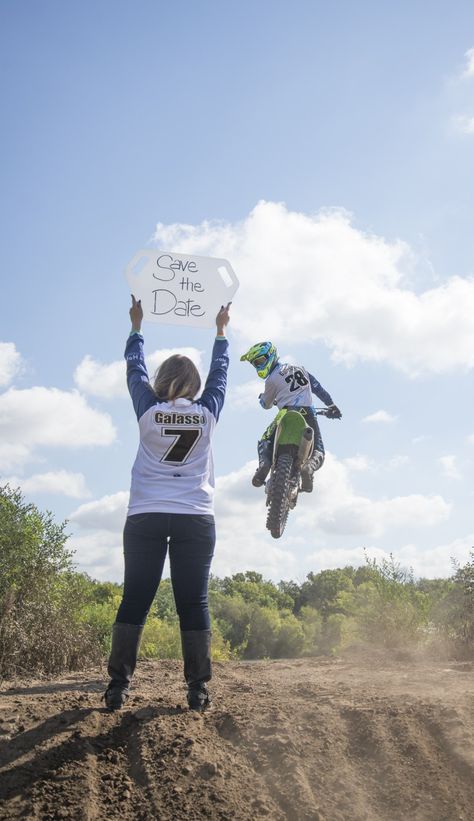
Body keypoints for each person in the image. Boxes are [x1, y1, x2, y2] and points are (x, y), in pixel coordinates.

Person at [104, 296, 231, 712]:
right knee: (193, 602)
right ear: (193, 385)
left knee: (135, 597)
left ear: (162, 381)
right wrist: (220, 331)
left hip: (145, 515)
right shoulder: (208, 412)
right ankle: (198, 691)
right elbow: (221, 377)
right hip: (195, 516)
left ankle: (117, 687)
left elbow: (133, 369)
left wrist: (137, 326)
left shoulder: (147, 409)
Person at [240, 341, 341, 493]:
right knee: (318, 450)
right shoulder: (301, 369)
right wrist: (331, 406)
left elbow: (266, 404)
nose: (258, 366)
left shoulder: (271, 380)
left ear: (271, 356)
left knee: (264, 441)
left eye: (260, 361)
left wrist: (263, 399)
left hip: (285, 413)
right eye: (256, 364)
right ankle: (309, 467)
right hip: (309, 414)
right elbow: (318, 388)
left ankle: (264, 465)